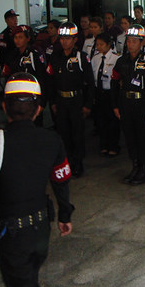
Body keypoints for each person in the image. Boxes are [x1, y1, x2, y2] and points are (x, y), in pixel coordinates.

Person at [0, 72, 74, 287]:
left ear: (4, 107)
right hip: (41, 231)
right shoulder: (52, 139)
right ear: (38, 109)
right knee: (26, 286)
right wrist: (65, 215)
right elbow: (61, 181)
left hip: (12, 237)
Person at [111, 24, 145, 185]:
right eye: (128, 41)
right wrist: (115, 105)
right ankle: (135, 166)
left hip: (143, 104)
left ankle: (144, 169)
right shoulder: (121, 61)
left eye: (134, 41)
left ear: (141, 42)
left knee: (142, 137)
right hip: (126, 103)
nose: (131, 44)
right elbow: (114, 83)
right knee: (130, 137)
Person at [46, 22, 95, 178]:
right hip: (61, 100)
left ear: (75, 39)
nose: (64, 41)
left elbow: (90, 82)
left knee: (77, 133)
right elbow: (50, 81)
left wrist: (88, 104)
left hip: (77, 100)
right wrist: (52, 102)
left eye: (68, 38)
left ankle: (78, 162)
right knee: (63, 132)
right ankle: (67, 160)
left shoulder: (82, 57)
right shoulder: (55, 57)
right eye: (62, 38)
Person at [2, 25, 47, 127]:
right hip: (15, 98)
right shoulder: (11, 56)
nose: (17, 40)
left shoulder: (36, 53)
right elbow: (7, 77)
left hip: (32, 98)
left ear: (28, 38)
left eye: (20, 37)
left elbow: (42, 78)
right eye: (15, 37)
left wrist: (42, 102)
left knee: (34, 127)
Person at [92, 33, 121, 157]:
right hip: (99, 92)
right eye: (97, 44)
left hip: (111, 93)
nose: (99, 47)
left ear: (109, 44)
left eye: (101, 44)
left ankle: (113, 145)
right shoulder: (95, 58)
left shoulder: (116, 58)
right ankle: (103, 145)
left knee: (112, 121)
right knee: (101, 120)